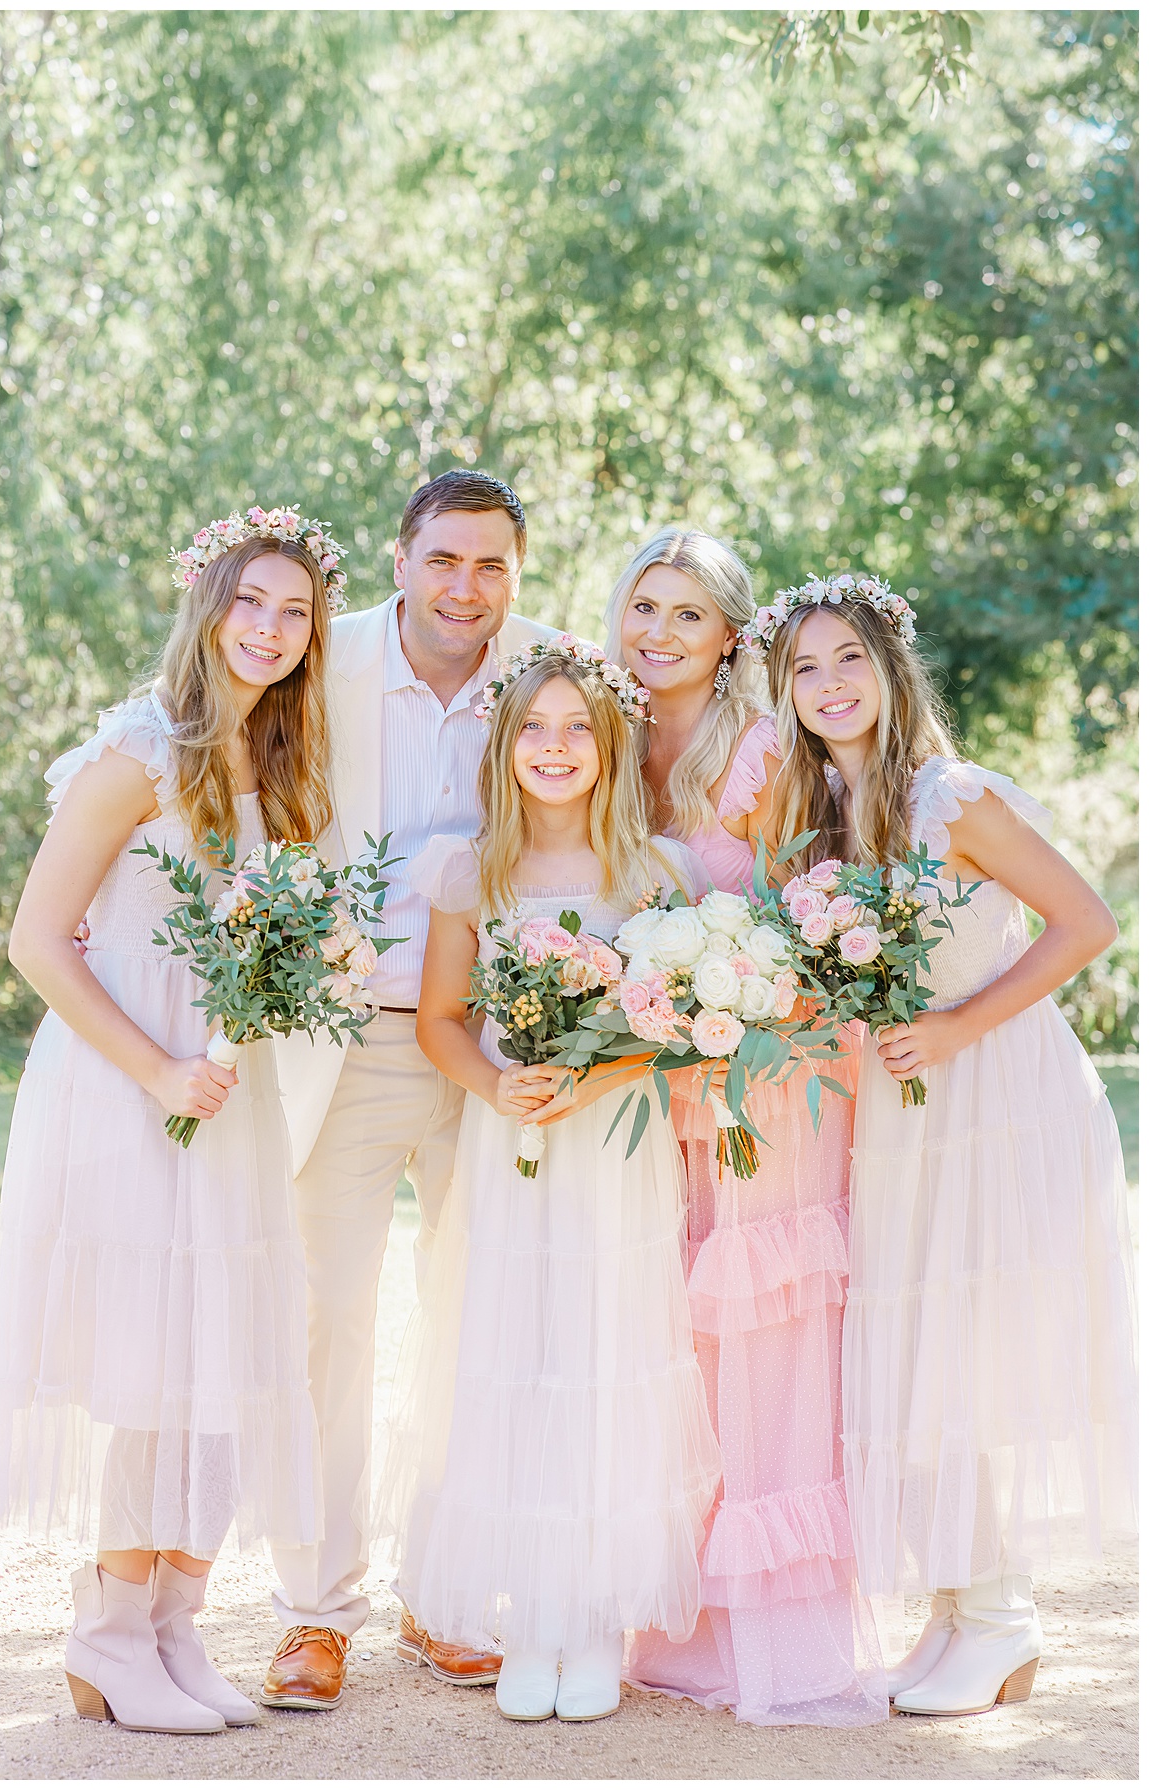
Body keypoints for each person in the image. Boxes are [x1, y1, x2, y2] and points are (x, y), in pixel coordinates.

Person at [0, 508, 340, 1735]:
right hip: (131, 1087)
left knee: (221, 1352)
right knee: (152, 1358)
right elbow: (36, 940)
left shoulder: (271, 767)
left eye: (297, 612)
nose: (271, 629)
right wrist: (160, 1071)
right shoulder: (140, 747)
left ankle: (177, 1627)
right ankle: (110, 1633)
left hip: (224, 1089)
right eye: (253, 601)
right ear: (209, 602)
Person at [754, 571, 1138, 1717]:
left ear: (890, 667)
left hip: (996, 1094)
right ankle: (959, 1609)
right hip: (905, 1108)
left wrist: (959, 1024)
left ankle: (1006, 1615)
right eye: (805, 667)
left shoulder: (949, 797)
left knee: (965, 1351)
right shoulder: (823, 805)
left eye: (848, 659)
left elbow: (1088, 921)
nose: (829, 684)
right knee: (916, 1348)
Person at [380, 642, 722, 1723]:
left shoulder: (655, 873)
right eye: (534, 727)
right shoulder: (468, 870)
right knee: (517, 1354)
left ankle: (593, 1618)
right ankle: (530, 1613)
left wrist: (594, 1072)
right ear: (504, 744)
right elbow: (439, 1020)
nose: (556, 747)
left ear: (611, 741)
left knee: (607, 1355)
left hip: (615, 1151)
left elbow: (681, 1035)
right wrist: (497, 1081)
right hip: (512, 1150)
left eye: (578, 727)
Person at [264, 470, 556, 1710]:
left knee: (478, 1321)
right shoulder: (318, 666)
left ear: (516, 573)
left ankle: (446, 1595)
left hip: (504, 1039)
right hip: (350, 1034)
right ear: (401, 559)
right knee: (326, 1319)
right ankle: (313, 1610)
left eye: (491, 564)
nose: (466, 589)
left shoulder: (552, 676)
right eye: (445, 559)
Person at [606, 529, 888, 1726]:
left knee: (765, 1337)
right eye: (644, 607)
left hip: (770, 1067)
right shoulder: (602, 735)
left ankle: (767, 1628)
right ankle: (680, 1613)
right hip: (656, 1072)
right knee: (681, 1334)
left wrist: (727, 1004)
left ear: (731, 637)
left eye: (688, 615)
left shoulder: (764, 748)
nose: (659, 634)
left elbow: (798, 914)